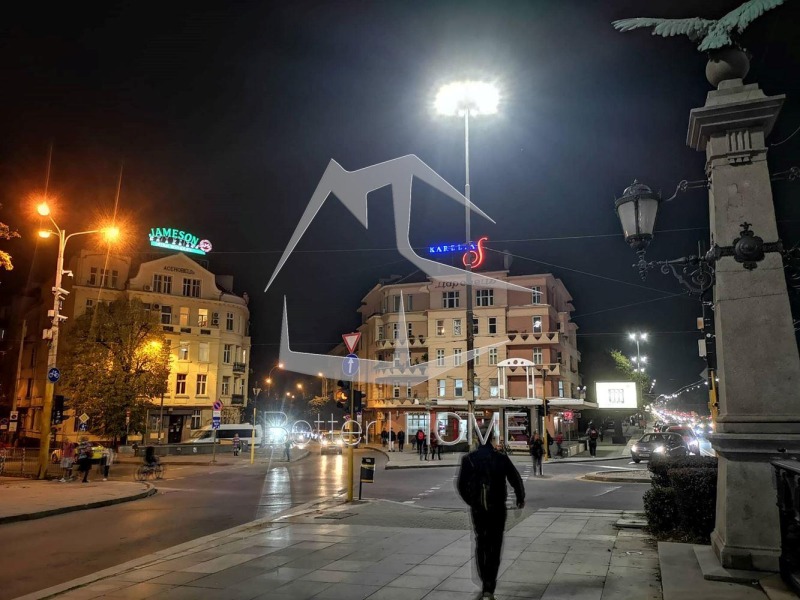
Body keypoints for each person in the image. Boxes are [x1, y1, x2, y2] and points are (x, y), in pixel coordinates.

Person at [457, 428, 525, 600]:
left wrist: (472, 501)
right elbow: (515, 477)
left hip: (478, 508)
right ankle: (489, 585)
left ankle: (484, 580)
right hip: (497, 508)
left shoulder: (469, 459)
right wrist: (520, 497)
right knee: (495, 544)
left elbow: (461, 485)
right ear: (492, 439)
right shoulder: (501, 458)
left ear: (477, 439)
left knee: (481, 542)